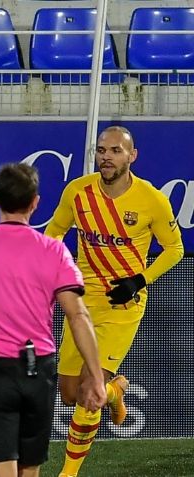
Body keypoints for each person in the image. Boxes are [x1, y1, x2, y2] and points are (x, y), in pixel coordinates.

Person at [0, 163, 107, 477]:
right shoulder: (55, 250)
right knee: (29, 469)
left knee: (0, 470)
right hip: (38, 371)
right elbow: (78, 315)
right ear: (35, 203)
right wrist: (96, 377)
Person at [44, 126, 184, 477]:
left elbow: (175, 249)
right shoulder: (78, 192)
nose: (107, 156)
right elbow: (55, 231)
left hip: (123, 305)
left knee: (89, 391)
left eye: (115, 151)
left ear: (131, 156)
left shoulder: (151, 199)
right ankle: (115, 390)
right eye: (102, 150)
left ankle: (68, 473)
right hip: (80, 301)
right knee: (69, 394)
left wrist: (139, 280)